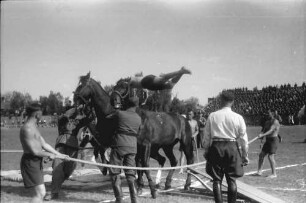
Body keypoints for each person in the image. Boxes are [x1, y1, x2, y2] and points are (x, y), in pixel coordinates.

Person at [203, 92, 249, 203]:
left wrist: (206, 151)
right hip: (232, 147)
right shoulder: (238, 117)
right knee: (232, 180)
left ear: (220, 100)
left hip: (216, 147)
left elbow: (206, 137)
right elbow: (243, 139)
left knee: (216, 180)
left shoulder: (212, 116)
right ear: (232, 102)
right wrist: (244, 155)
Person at [19, 102, 68, 203]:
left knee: (41, 193)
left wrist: (59, 155)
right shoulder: (27, 129)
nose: (42, 115)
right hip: (30, 162)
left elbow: (44, 144)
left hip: (36, 162)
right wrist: (51, 155)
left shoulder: (34, 127)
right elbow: (35, 151)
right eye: (41, 113)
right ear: (37, 114)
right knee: (40, 193)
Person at [108, 97, 142, 203]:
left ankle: (119, 199)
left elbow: (107, 117)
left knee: (114, 172)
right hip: (132, 146)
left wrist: (116, 108)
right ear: (137, 105)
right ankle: (134, 199)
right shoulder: (138, 118)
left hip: (119, 144)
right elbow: (139, 132)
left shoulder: (120, 113)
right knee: (131, 173)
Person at [44, 115, 79, 201]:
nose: (70, 125)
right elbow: (58, 150)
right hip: (60, 156)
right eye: (68, 124)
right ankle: (54, 193)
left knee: (66, 173)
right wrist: (50, 157)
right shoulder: (61, 137)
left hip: (71, 158)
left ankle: (56, 187)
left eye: (70, 124)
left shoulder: (75, 132)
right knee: (57, 169)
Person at [255, 110, 280, 178]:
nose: (266, 115)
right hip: (268, 140)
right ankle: (259, 171)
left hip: (273, 140)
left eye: (268, 114)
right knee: (261, 155)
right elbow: (263, 131)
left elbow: (271, 130)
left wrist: (263, 135)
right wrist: (261, 138)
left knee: (270, 156)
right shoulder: (267, 122)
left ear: (272, 114)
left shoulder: (275, 121)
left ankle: (274, 174)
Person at [179, 110, 199, 174]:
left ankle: (189, 168)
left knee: (192, 155)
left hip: (192, 140)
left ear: (193, 115)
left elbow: (197, 130)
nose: (189, 115)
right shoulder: (184, 122)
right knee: (183, 154)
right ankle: (181, 169)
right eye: (188, 114)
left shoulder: (195, 122)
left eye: (190, 114)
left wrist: (194, 135)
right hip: (184, 140)